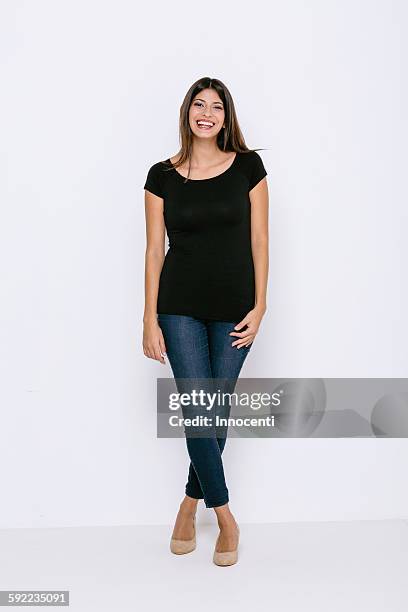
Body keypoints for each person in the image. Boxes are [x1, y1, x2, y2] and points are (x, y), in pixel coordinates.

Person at [143, 76, 269, 566]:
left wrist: (260, 306)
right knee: (201, 409)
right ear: (187, 112)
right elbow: (155, 251)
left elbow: (260, 241)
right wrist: (148, 318)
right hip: (178, 306)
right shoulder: (161, 176)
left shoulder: (250, 167)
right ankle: (225, 517)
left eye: (217, 107)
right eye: (200, 104)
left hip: (237, 306)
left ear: (226, 116)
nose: (208, 114)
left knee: (214, 411)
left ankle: (188, 503)